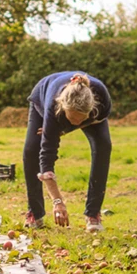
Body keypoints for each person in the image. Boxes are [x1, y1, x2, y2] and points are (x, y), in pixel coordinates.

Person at [23, 71, 112, 232]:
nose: (76, 123)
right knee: (31, 151)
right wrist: (57, 201)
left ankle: (93, 214)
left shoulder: (102, 100)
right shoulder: (53, 107)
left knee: (104, 146)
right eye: (72, 119)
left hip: (80, 114)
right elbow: (47, 156)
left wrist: (67, 129)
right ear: (63, 109)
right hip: (44, 94)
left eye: (80, 119)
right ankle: (35, 213)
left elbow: (88, 121)